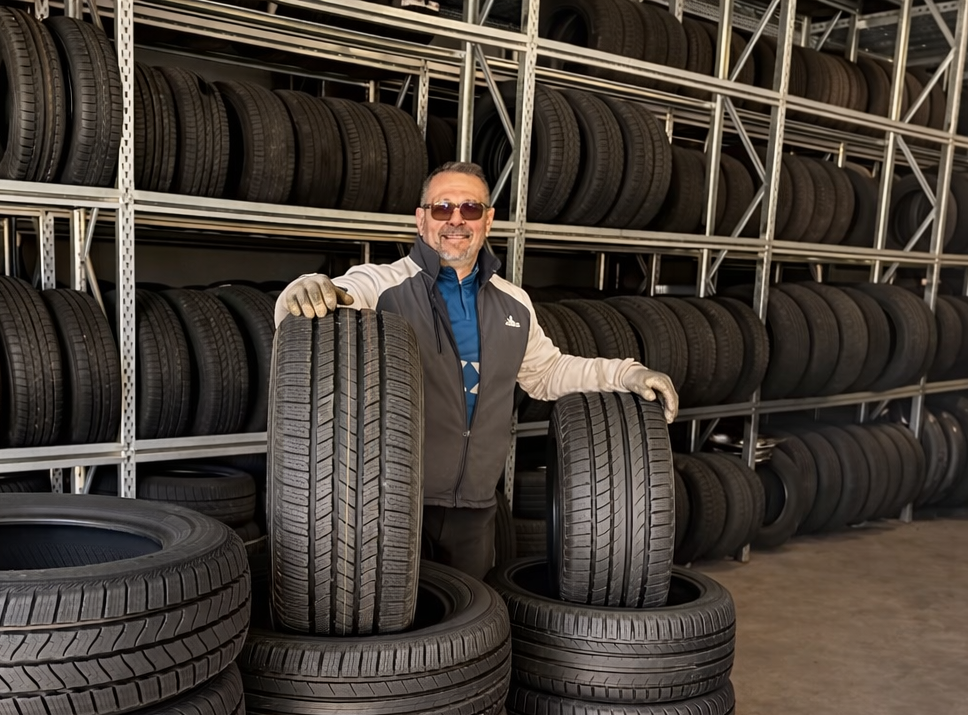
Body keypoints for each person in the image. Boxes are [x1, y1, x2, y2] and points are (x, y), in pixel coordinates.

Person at [276, 161, 679, 581]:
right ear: (421, 219)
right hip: (390, 507)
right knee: (397, 639)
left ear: (487, 220)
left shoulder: (513, 303)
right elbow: (333, 302)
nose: (455, 219)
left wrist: (627, 375)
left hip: (476, 511)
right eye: (441, 208)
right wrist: (304, 289)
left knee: (466, 634)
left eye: (469, 209)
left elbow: (549, 373)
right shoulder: (382, 286)